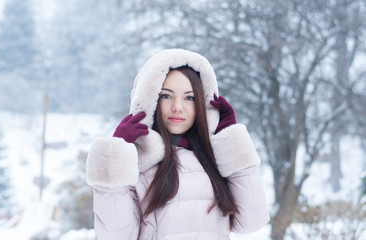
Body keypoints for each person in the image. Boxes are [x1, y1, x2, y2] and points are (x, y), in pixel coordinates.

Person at [86, 48, 270, 239]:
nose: (178, 107)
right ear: (151, 100)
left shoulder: (213, 161)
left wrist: (231, 142)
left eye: (189, 98)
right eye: (166, 95)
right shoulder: (136, 164)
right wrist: (116, 156)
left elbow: (251, 221)